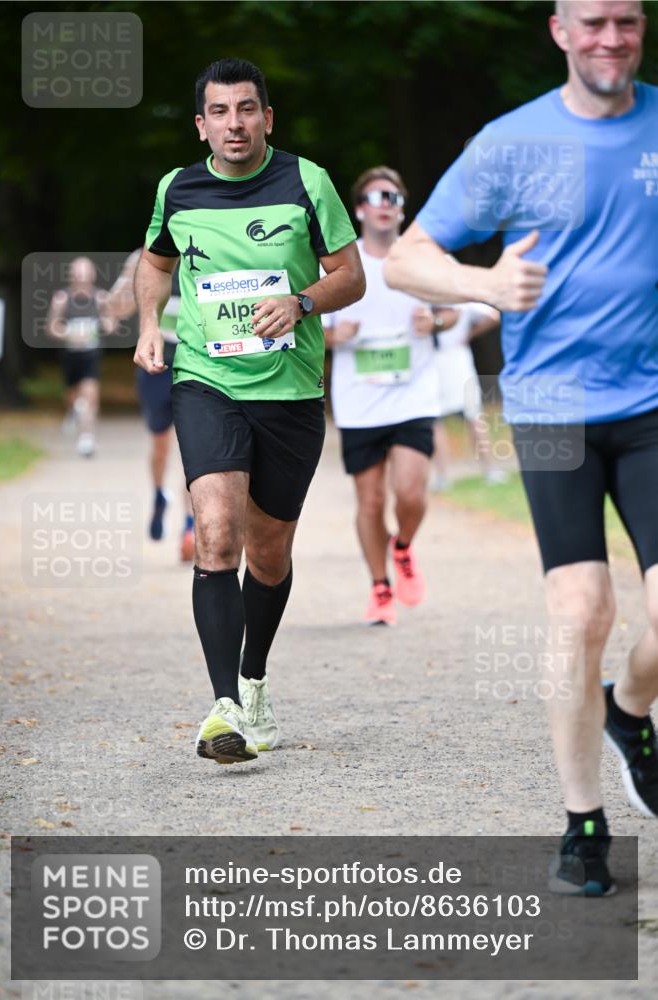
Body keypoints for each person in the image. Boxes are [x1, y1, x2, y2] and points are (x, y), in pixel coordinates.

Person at [385, 0, 657, 895]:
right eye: (592, 23)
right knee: (581, 612)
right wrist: (484, 282)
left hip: (654, 402)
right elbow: (406, 259)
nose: (609, 39)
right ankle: (583, 823)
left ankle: (629, 710)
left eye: (626, 21)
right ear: (558, 31)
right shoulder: (511, 143)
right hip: (552, 411)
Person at [134, 58, 364, 764]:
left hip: (290, 392)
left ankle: (254, 679)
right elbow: (155, 262)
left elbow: (349, 277)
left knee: (268, 553)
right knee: (216, 533)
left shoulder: (307, 181)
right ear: (201, 124)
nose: (234, 123)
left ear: (267, 117)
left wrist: (298, 302)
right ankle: (222, 707)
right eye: (220, 112)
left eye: (247, 109)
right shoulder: (178, 188)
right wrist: (149, 324)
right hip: (207, 381)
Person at [326, 166, 440, 626]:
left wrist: (436, 322)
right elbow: (307, 324)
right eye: (377, 195)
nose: (386, 203)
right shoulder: (339, 265)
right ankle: (379, 586)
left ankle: (404, 545)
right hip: (359, 400)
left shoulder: (421, 260)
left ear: (402, 208)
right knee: (370, 503)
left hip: (414, 394)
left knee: (410, 492)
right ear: (359, 209)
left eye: (394, 196)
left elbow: (455, 313)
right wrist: (336, 335)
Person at [109, 250, 195, 560]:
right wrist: (127, 282)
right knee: (160, 445)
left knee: (194, 446)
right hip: (156, 364)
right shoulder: (144, 257)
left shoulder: (205, 245)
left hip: (194, 363)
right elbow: (116, 310)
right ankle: (159, 495)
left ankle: (191, 526)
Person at [430, 302, 505, 492]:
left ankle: (488, 469)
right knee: (436, 420)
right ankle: (443, 476)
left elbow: (493, 315)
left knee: (473, 416)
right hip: (432, 362)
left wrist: (468, 335)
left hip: (456, 359)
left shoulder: (458, 301)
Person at [47, 256, 113, 457]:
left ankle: (87, 439)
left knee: (90, 396)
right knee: (73, 398)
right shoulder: (62, 299)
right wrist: (69, 333)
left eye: (86, 273)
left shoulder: (101, 298)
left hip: (91, 355)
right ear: (72, 276)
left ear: (92, 275)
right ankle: (73, 412)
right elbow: (52, 327)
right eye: (78, 273)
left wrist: (102, 325)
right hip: (70, 355)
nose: (82, 277)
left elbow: (111, 325)